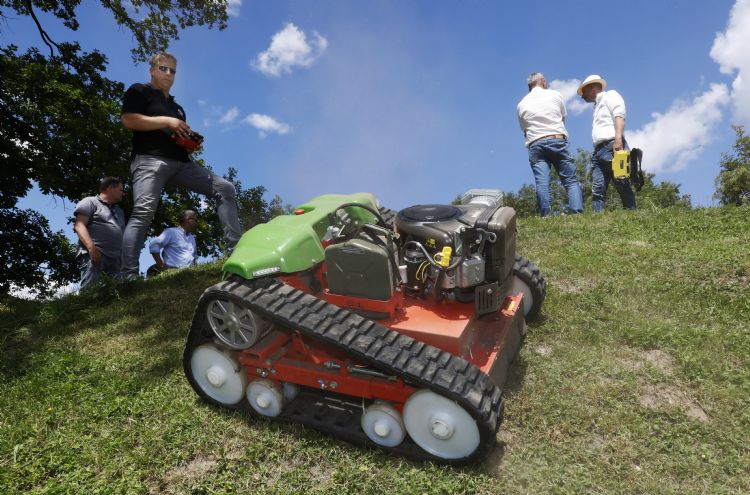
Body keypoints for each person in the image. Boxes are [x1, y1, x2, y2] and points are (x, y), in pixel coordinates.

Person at [120, 52, 242, 278]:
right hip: (149, 160)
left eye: (172, 70)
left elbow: (175, 136)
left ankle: (238, 253)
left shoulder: (177, 108)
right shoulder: (140, 90)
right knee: (143, 212)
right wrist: (167, 121)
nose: (168, 74)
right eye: (163, 68)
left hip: (181, 164)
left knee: (225, 188)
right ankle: (128, 276)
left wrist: (188, 142)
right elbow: (128, 120)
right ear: (152, 70)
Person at [517, 72, 583, 217]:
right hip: (557, 139)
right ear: (543, 82)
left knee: (542, 183)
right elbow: (562, 118)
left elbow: (525, 129)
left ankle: (546, 216)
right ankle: (576, 213)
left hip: (536, 143)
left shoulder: (521, 104)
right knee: (570, 180)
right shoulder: (555, 95)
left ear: (529, 86)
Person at [578, 74, 636, 211]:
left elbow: (619, 115)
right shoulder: (596, 106)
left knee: (622, 182)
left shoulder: (610, 95)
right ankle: (597, 218)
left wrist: (618, 140)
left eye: (584, 91)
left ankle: (632, 214)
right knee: (597, 188)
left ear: (592, 87)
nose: (582, 96)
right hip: (599, 151)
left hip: (613, 145)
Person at [73, 177, 126, 288]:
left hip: (116, 259)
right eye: (121, 190)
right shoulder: (90, 202)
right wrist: (92, 249)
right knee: (89, 292)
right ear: (110, 188)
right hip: (95, 254)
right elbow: (79, 226)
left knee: (118, 294)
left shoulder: (119, 211)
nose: (123, 193)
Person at [148, 209, 198, 275]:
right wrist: (162, 266)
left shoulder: (192, 238)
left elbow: (194, 257)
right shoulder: (171, 232)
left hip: (188, 274)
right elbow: (154, 246)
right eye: (195, 220)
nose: (197, 222)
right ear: (188, 220)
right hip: (172, 272)